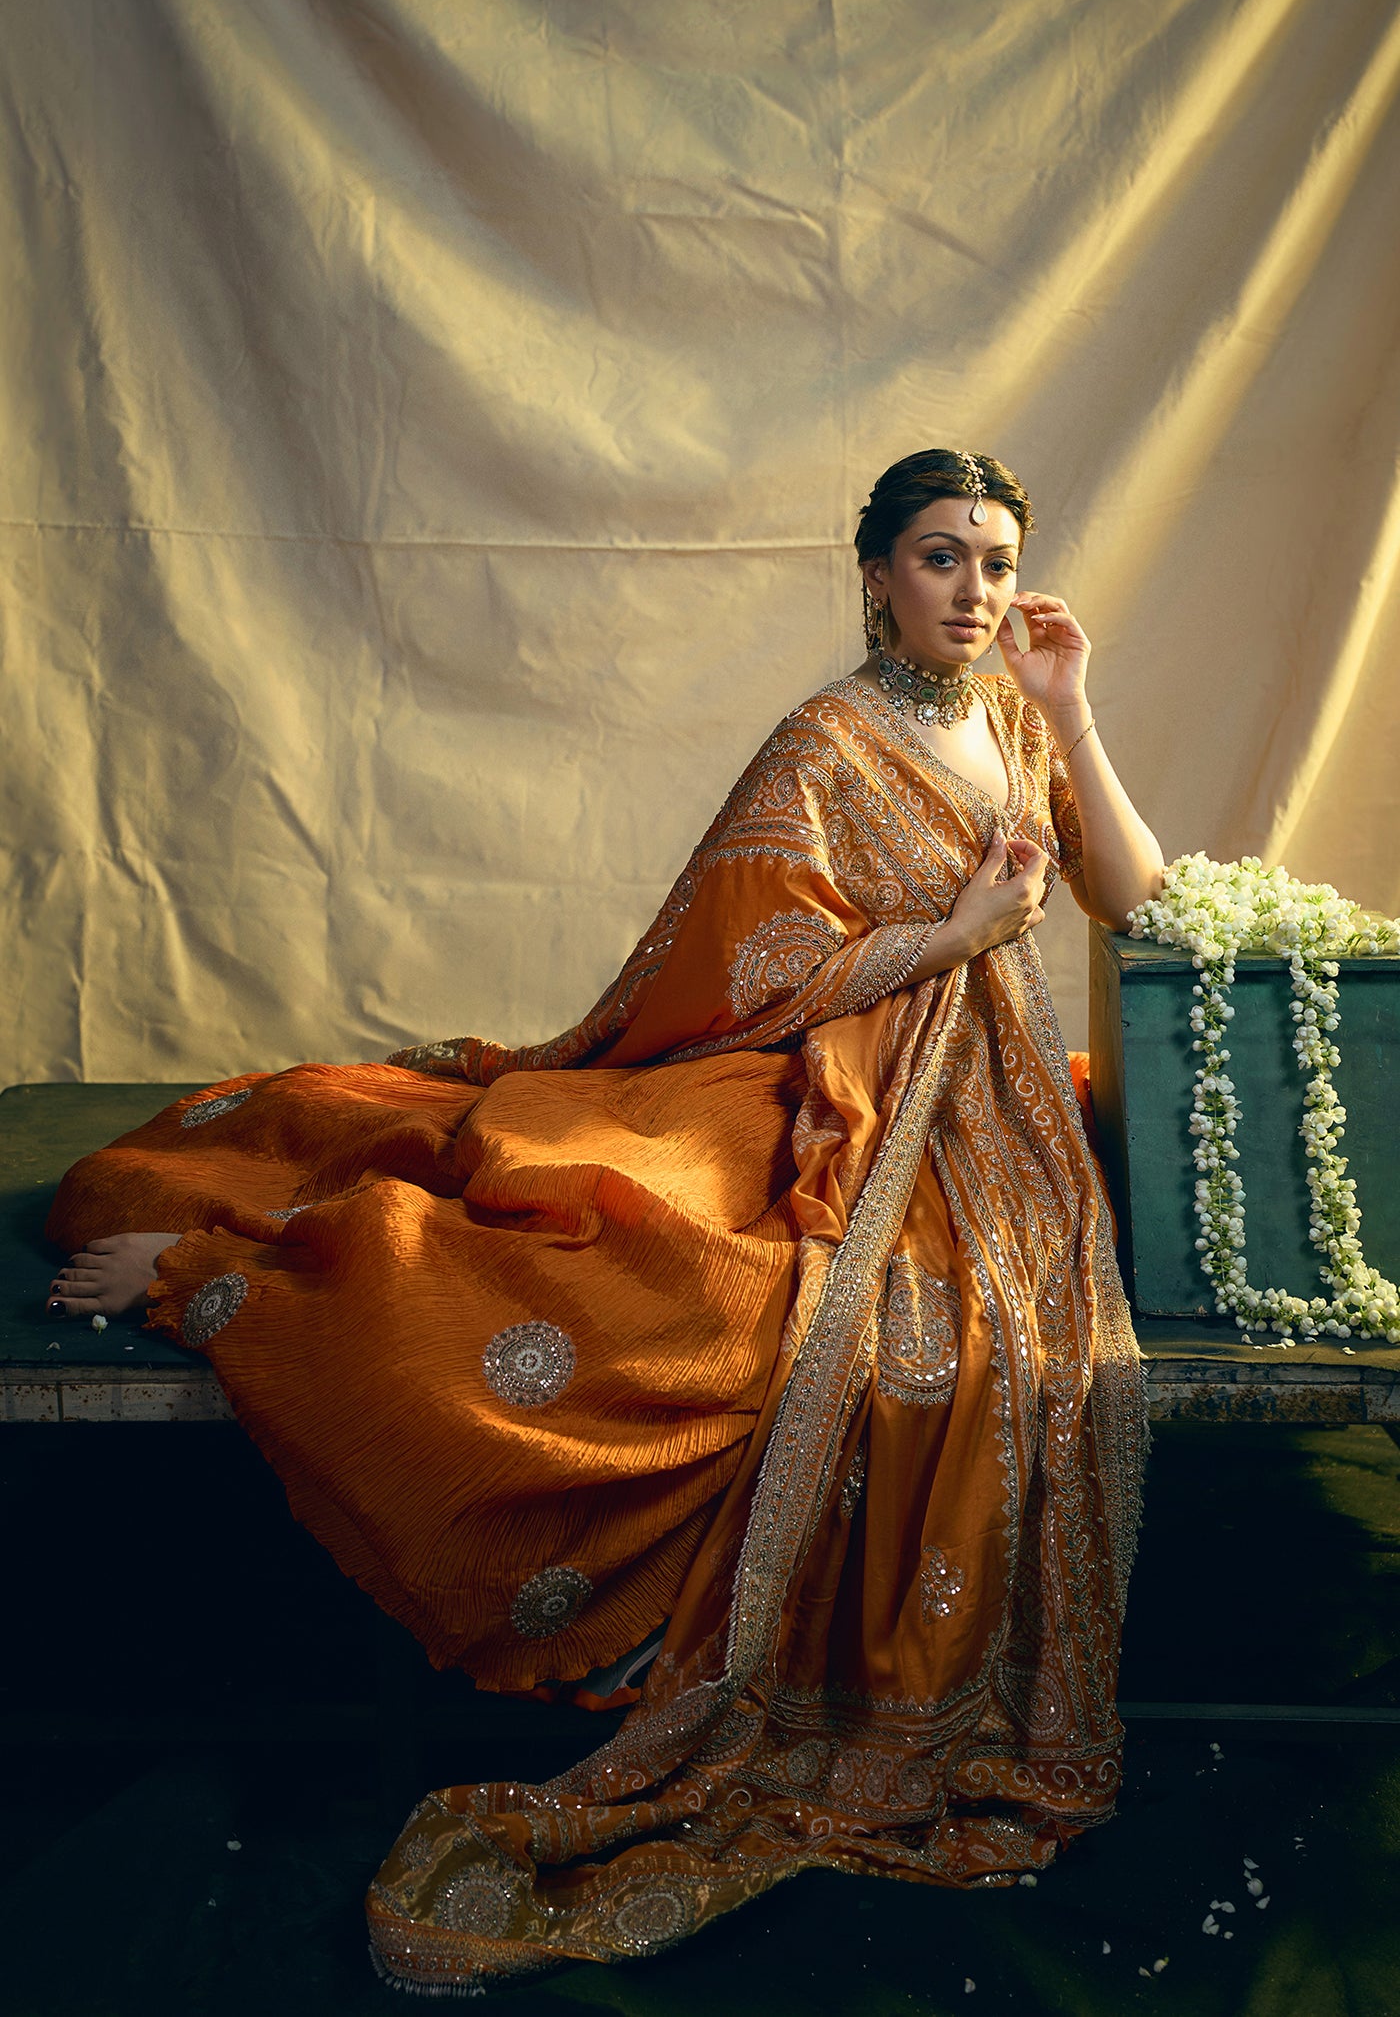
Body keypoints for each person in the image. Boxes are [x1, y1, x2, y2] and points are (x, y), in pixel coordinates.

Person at [47, 448, 1163, 1992]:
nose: (973, 592)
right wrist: (954, 933)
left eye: (994, 560)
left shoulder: (1016, 717)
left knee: (976, 1324)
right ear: (871, 577)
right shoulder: (823, 744)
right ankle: (243, 1262)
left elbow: (1137, 892)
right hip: (831, 1079)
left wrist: (1078, 706)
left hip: (997, 1100)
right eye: (937, 558)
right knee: (626, 1261)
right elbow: (737, 971)